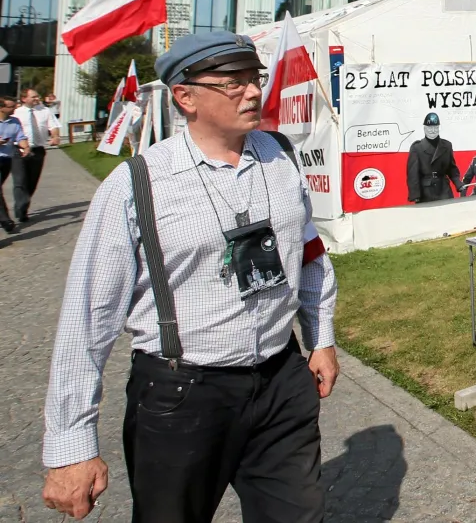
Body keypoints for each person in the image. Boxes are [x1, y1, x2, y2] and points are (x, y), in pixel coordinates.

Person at [40, 30, 339, 523]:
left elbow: (309, 254)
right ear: (185, 97)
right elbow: (86, 318)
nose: (251, 92)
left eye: (254, 79)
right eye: (233, 83)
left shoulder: (279, 156)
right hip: (184, 393)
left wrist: (320, 336)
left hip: (281, 380)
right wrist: (71, 445)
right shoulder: (138, 183)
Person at [14, 87, 62, 223]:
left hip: (38, 150)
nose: (37, 99)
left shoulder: (45, 111)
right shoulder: (17, 113)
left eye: (37, 96)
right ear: (24, 99)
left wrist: (55, 136)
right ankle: (20, 207)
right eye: (33, 97)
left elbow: (53, 126)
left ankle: (23, 206)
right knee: (20, 181)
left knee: (32, 182)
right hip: (20, 150)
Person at [406, 112, 462, 203]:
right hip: (426, 192)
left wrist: (458, 183)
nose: (433, 130)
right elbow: (413, 174)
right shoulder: (417, 148)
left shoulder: (447, 145)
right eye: (430, 128)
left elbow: (451, 168)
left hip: (444, 190)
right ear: (424, 128)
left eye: (435, 127)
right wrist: (415, 194)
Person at [0, 96, 31, 234]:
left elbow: (20, 137)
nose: (15, 108)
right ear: (1, 108)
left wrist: (25, 147)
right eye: (11, 106)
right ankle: (5, 219)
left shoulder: (15, 121)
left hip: (6, 159)